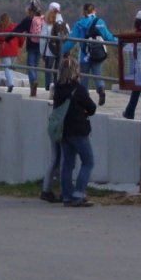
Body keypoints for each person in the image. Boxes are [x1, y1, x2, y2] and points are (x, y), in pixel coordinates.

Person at [54, 57, 97, 206]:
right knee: (88, 162)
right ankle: (78, 193)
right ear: (75, 71)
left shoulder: (57, 89)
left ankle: (66, 195)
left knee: (67, 164)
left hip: (64, 131)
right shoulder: (78, 89)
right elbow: (92, 108)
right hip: (79, 130)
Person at [63, 3, 117, 106]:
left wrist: (62, 50)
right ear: (94, 10)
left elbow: (71, 40)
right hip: (99, 54)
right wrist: (120, 42)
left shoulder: (80, 23)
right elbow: (108, 37)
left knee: (83, 77)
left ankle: (85, 98)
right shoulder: (100, 22)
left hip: (85, 55)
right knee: (97, 73)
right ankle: (101, 89)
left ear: (83, 11)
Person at [5, 0, 46, 97]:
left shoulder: (28, 20)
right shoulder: (42, 19)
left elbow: (18, 30)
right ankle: (34, 84)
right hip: (41, 45)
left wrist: (7, 38)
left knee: (30, 65)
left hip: (31, 45)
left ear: (29, 9)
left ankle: (33, 82)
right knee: (35, 65)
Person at [41, 1, 69, 91]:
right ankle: (57, 85)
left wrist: (42, 52)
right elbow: (69, 35)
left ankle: (48, 85)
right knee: (58, 69)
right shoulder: (64, 22)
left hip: (50, 50)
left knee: (48, 68)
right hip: (61, 50)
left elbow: (42, 39)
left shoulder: (47, 22)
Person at [0, 13, 21, 93]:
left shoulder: (0, 29)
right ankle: (10, 82)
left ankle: (10, 84)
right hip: (14, 50)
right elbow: (21, 37)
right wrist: (20, 45)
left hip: (5, 50)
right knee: (10, 68)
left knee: (7, 68)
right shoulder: (14, 26)